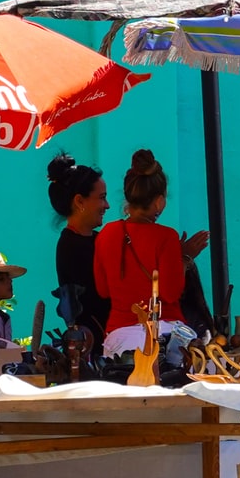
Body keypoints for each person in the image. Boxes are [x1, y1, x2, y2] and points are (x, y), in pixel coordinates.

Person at [92, 150, 207, 362]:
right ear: (159, 201)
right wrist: (185, 258)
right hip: (163, 337)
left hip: (118, 338)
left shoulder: (106, 234)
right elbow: (170, 293)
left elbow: (103, 289)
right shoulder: (166, 237)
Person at [47, 152, 109, 341]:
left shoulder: (98, 239)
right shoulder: (70, 246)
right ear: (80, 201)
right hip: (97, 344)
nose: (107, 205)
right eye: (101, 197)